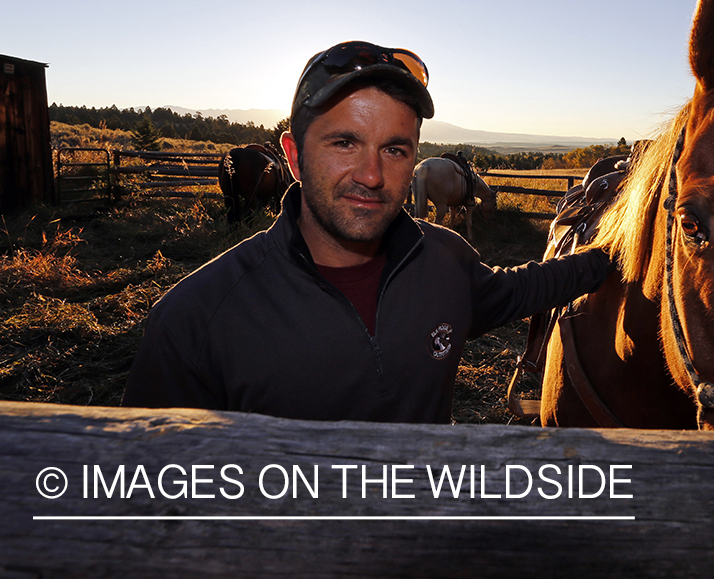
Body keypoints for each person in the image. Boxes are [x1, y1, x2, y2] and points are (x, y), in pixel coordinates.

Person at [122, 40, 613, 423]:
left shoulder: (445, 263)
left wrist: (615, 250)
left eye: (395, 150)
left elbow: (528, 287)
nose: (371, 174)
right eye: (344, 143)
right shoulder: (196, 320)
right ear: (293, 156)